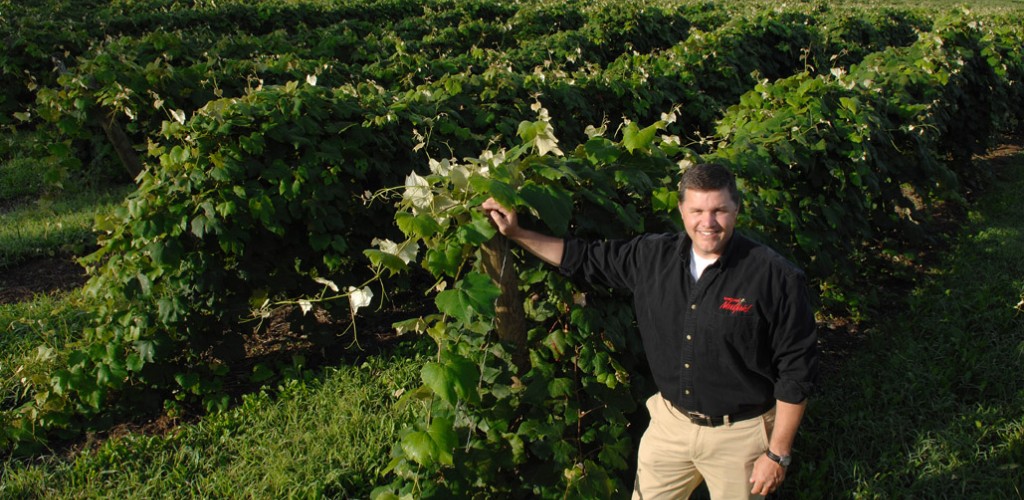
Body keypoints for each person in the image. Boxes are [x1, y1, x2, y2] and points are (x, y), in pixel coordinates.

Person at [481, 163, 818, 498]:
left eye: (719, 210)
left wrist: (777, 454)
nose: (708, 222)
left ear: (736, 210)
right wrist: (518, 233)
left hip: (740, 436)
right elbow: (583, 258)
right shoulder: (652, 256)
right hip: (670, 427)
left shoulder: (776, 277)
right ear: (682, 210)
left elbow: (796, 370)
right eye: (698, 210)